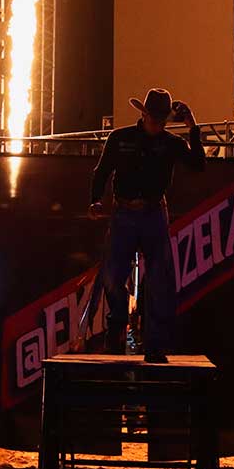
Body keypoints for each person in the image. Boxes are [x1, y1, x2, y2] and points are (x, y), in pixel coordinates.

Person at [88, 88, 205, 364]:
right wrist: (95, 200)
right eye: (154, 119)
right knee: (113, 276)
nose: (157, 125)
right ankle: (118, 324)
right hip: (125, 211)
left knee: (159, 280)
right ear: (144, 115)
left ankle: (153, 345)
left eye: (162, 120)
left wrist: (193, 129)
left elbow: (198, 165)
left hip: (152, 212)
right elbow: (102, 171)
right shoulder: (120, 138)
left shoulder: (171, 143)